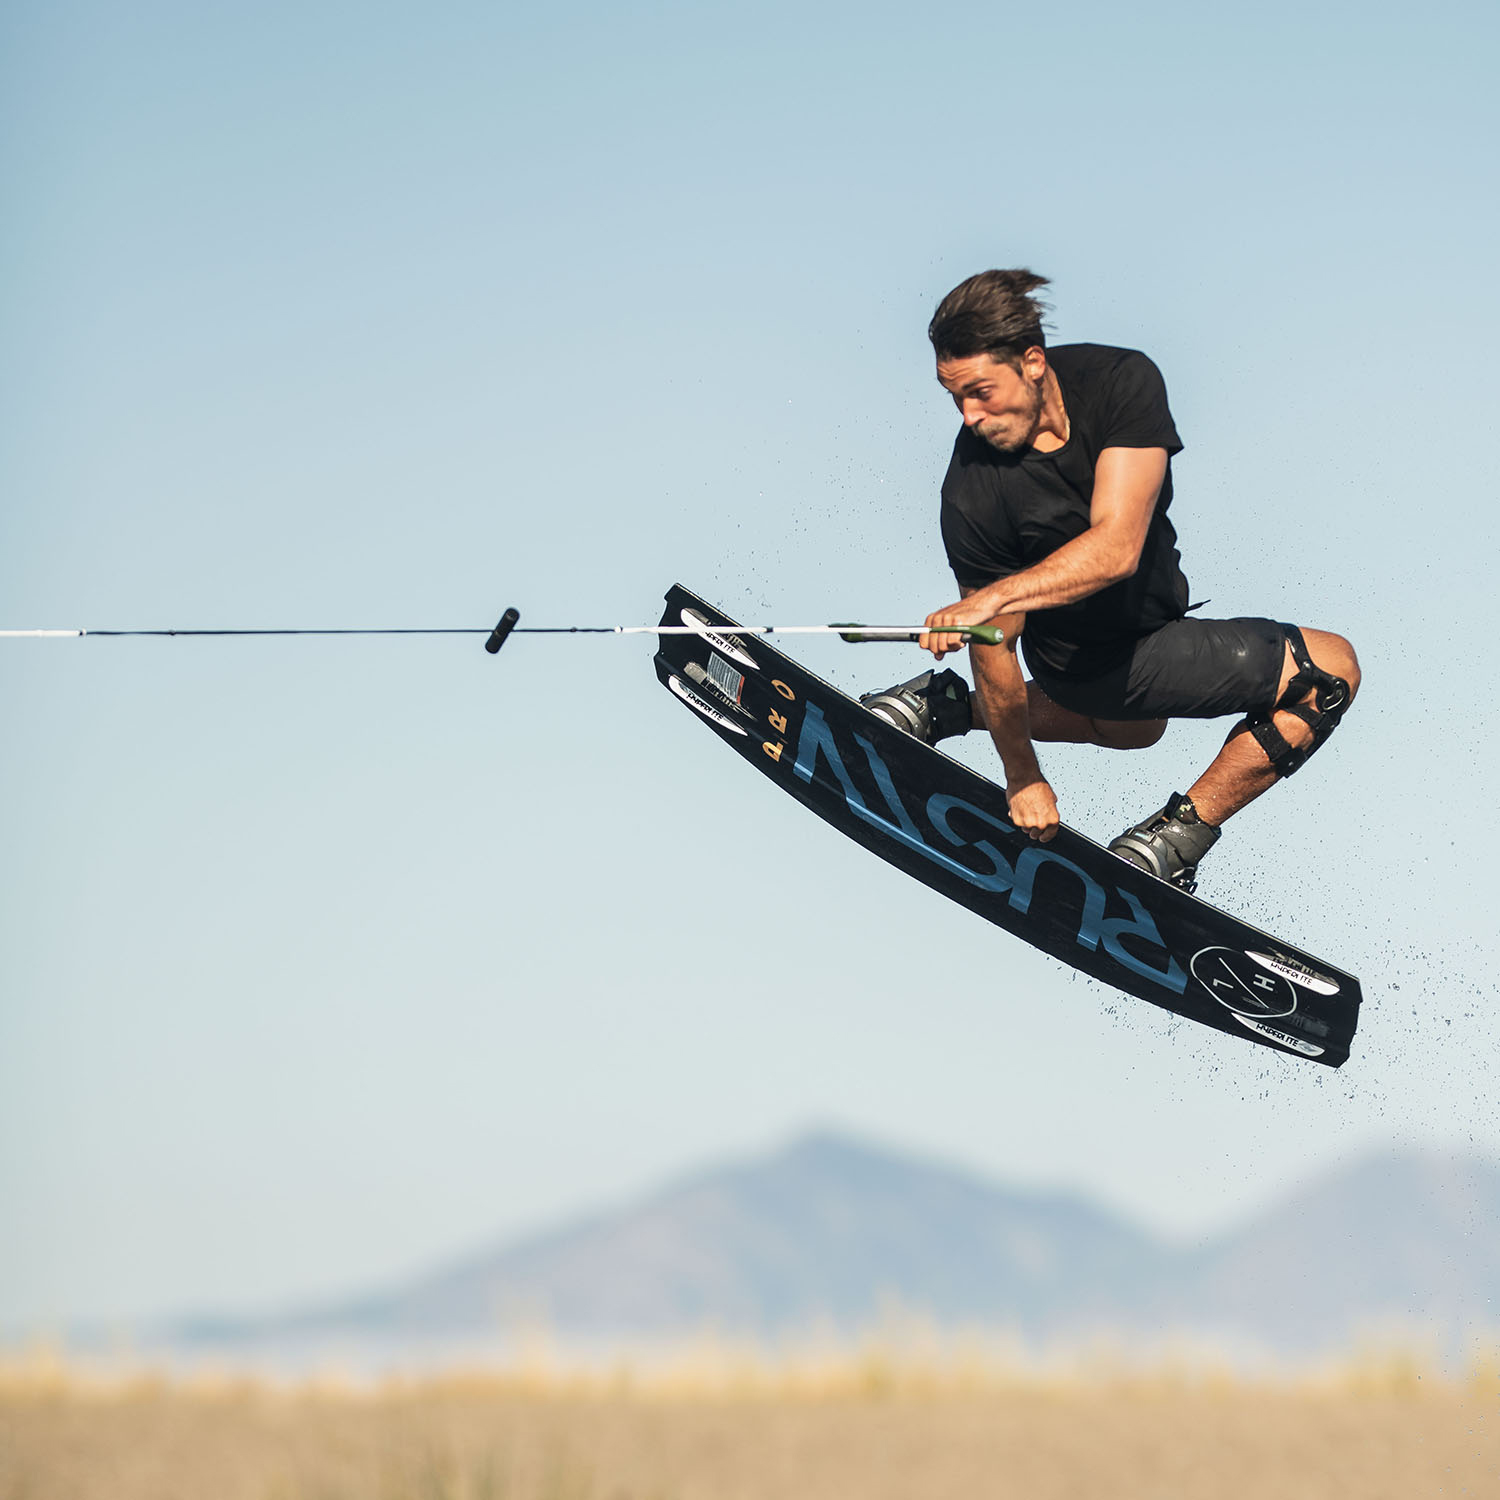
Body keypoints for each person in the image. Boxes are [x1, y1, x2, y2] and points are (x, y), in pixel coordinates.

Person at [861, 269, 1360, 894]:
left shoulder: (1119, 383)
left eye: (981, 392)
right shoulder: (973, 492)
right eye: (954, 397)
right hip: (1081, 661)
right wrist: (1022, 777)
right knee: (1328, 670)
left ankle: (942, 707)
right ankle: (1173, 843)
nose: (969, 415)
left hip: (1148, 637)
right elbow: (995, 645)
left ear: (1032, 362)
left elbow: (1117, 547)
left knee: (1137, 731)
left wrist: (991, 597)